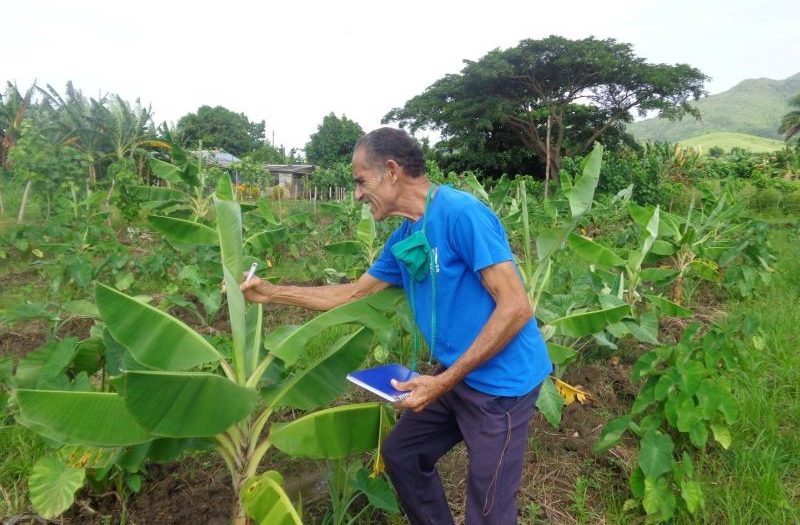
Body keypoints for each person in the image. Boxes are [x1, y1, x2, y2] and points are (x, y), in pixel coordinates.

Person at [240, 127, 552, 525]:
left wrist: (443, 381)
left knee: (489, 507)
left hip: (502, 387)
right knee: (403, 454)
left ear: (391, 171)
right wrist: (272, 293)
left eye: (360, 181)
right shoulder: (405, 236)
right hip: (458, 377)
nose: (356, 194)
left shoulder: (461, 214)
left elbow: (515, 307)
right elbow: (353, 294)